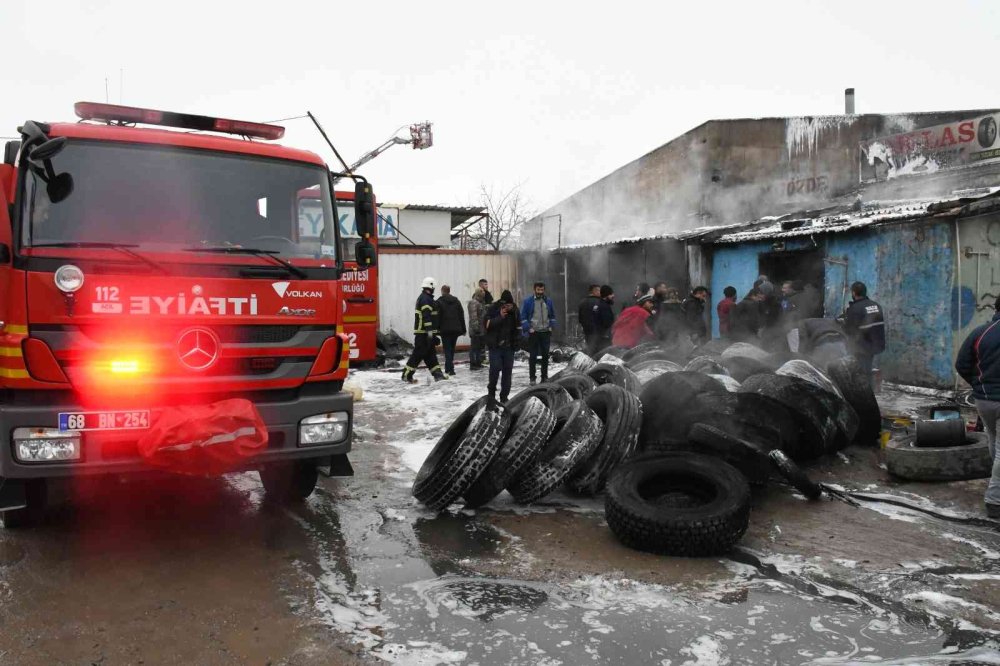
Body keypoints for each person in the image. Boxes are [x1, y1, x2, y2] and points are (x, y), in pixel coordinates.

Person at [955, 295, 1000, 519]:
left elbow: (961, 363)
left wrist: (978, 385)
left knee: (994, 440)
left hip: (984, 401)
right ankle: (994, 500)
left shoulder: (981, 332)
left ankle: (996, 485)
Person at [402, 277, 446, 383]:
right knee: (417, 355)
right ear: (431, 287)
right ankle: (406, 375)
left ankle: (438, 375)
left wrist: (433, 333)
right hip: (423, 334)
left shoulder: (426, 298)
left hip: (426, 333)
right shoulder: (425, 299)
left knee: (430, 356)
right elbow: (426, 317)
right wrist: (430, 332)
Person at [840, 281, 886, 377]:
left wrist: (843, 323)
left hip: (862, 347)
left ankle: (863, 388)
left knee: (860, 373)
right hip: (876, 344)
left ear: (853, 293)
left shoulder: (855, 308)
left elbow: (850, 330)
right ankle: (868, 383)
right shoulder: (877, 306)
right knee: (866, 368)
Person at [485, 289, 521, 403]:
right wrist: (500, 317)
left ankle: (504, 397)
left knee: (507, 373)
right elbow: (486, 325)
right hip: (495, 347)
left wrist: (518, 342)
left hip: (509, 347)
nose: (508, 307)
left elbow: (518, 328)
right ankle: (491, 394)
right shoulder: (493, 309)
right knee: (495, 370)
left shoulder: (515, 310)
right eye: (506, 305)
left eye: (509, 305)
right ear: (502, 303)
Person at [521, 281, 557, 385]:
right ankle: (532, 378)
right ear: (534, 290)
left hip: (545, 332)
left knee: (545, 355)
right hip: (534, 332)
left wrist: (551, 326)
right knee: (533, 356)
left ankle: (544, 377)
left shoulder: (548, 301)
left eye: (542, 290)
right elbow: (523, 317)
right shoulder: (528, 301)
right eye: (538, 290)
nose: (540, 292)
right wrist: (528, 328)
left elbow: (552, 316)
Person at [435, 285, 466, 376]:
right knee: (451, 349)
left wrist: (436, 329)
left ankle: (450, 369)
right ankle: (449, 368)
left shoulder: (439, 302)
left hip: (445, 330)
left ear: (442, 291)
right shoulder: (456, 301)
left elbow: (437, 317)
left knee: (447, 349)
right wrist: (463, 329)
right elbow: (461, 315)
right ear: (449, 291)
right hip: (455, 329)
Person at [578, 284, 602, 356]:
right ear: (595, 291)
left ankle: (589, 362)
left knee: (590, 347)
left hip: (587, 330)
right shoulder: (600, 302)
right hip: (598, 331)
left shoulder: (582, 302)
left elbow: (580, 318)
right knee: (598, 350)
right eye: (599, 291)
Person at [593, 285, 616, 357]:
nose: (613, 296)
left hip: (597, 338)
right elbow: (607, 323)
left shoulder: (597, 304)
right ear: (607, 295)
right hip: (603, 340)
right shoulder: (604, 307)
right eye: (611, 294)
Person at [467, 288, 487, 370]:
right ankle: (473, 364)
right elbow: (473, 317)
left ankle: (478, 363)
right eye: (482, 294)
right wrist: (476, 329)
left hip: (481, 330)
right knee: (474, 348)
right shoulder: (473, 303)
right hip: (476, 330)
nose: (483, 296)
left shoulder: (480, 302)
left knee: (478, 347)